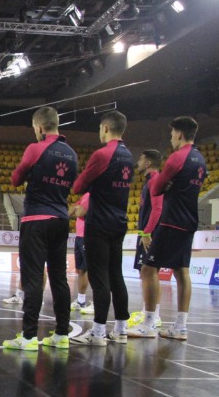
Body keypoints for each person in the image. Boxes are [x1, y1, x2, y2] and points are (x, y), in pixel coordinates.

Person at [3, 106, 78, 351]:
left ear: (38, 127)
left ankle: (29, 337)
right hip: (60, 219)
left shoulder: (36, 148)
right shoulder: (71, 153)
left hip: (36, 219)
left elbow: (15, 179)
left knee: (33, 277)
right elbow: (73, 185)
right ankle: (62, 335)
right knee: (59, 278)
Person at [127, 117, 206, 340]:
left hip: (171, 221)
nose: (171, 138)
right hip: (190, 221)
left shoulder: (177, 158)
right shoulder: (200, 159)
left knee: (148, 269)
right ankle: (180, 327)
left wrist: (167, 183)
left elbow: (158, 188)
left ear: (179, 134)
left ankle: (149, 323)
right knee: (182, 271)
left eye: (172, 134)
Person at [70, 110, 133, 346]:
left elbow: (78, 186)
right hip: (119, 222)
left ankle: (97, 333)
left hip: (99, 224)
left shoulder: (102, 154)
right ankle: (121, 329)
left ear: (105, 128)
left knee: (99, 277)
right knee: (116, 275)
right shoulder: (128, 155)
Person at [127, 150, 165, 332]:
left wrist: (147, 232)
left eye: (141, 158)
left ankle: (153, 316)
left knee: (148, 271)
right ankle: (149, 312)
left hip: (151, 233)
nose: (138, 162)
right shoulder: (149, 181)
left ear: (148, 162)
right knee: (147, 272)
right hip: (147, 232)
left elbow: (157, 209)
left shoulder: (156, 180)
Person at [69, 192, 93, 314]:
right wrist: (77, 207)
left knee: (92, 270)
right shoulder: (84, 196)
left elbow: (79, 212)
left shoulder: (90, 195)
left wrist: (77, 208)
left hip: (88, 236)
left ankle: (96, 303)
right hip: (79, 236)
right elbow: (71, 210)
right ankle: (81, 301)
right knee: (81, 270)